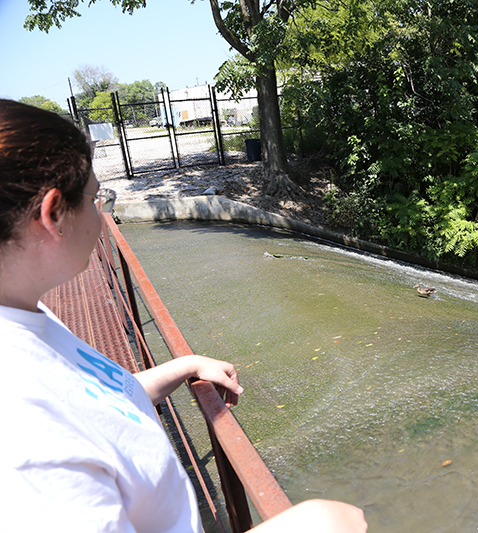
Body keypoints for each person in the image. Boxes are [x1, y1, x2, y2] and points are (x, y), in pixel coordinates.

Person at [0, 99, 367, 533]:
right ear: (53, 214)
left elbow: (96, 402)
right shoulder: (24, 436)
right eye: (97, 198)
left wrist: (185, 366)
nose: (103, 217)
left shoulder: (26, 316)